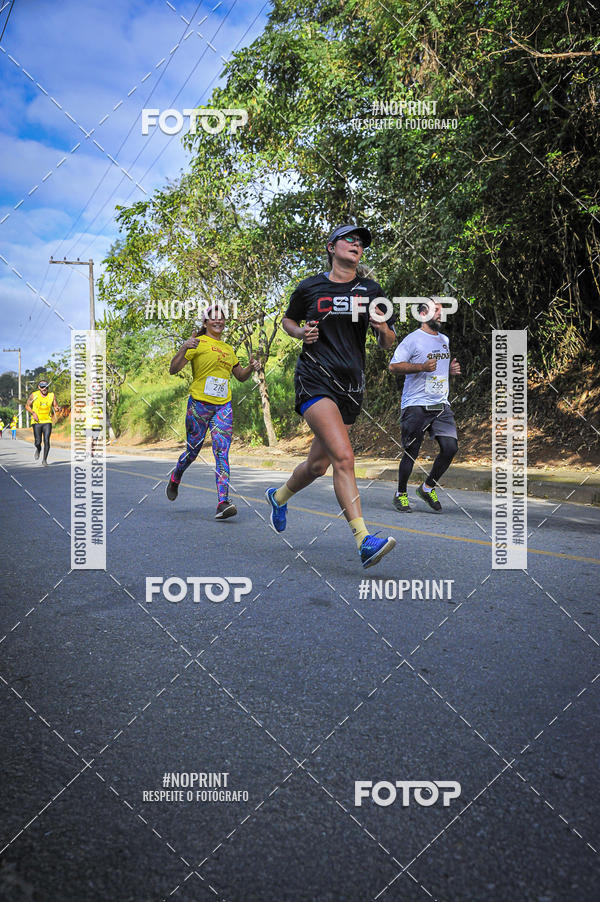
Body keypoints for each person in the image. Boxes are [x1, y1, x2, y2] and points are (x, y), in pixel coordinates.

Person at [266, 224, 397, 569]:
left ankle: (279, 497)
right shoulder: (310, 287)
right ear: (331, 247)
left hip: (351, 385)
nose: (356, 245)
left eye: (361, 242)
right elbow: (287, 321)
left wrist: (382, 327)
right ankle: (363, 540)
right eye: (349, 239)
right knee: (344, 458)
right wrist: (301, 333)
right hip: (315, 379)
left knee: (318, 465)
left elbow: (388, 342)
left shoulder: (371, 290)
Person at [166, 304, 259, 519]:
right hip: (199, 404)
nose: (218, 321)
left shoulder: (228, 349)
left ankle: (222, 502)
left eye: (222, 318)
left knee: (222, 452)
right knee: (192, 451)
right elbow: (173, 369)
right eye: (213, 318)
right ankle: (176, 476)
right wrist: (184, 347)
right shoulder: (197, 343)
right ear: (206, 322)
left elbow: (240, 376)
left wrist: (251, 367)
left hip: (223, 406)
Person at [389, 299, 461, 512]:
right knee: (411, 452)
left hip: (440, 404)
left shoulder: (444, 340)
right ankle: (400, 493)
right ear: (422, 314)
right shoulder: (412, 340)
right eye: (435, 310)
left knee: (450, 448)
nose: (441, 313)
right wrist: (420, 366)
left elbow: (437, 369)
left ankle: (427, 487)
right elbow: (393, 366)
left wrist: (449, 371)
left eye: (441, 310)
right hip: (416, 404)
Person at [25, 381, 59, 466]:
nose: (44, 389)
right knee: (37, 441)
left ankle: (44, 460)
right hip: (37, 422)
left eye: (46, 387)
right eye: (42, 387)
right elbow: (27, 406)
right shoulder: (34, 395)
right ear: (39, 387)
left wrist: (58, 408)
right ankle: (38, 449)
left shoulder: (52, 395)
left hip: (47, 421)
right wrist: (33, 413)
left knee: (46, 440)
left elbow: (56, 407)